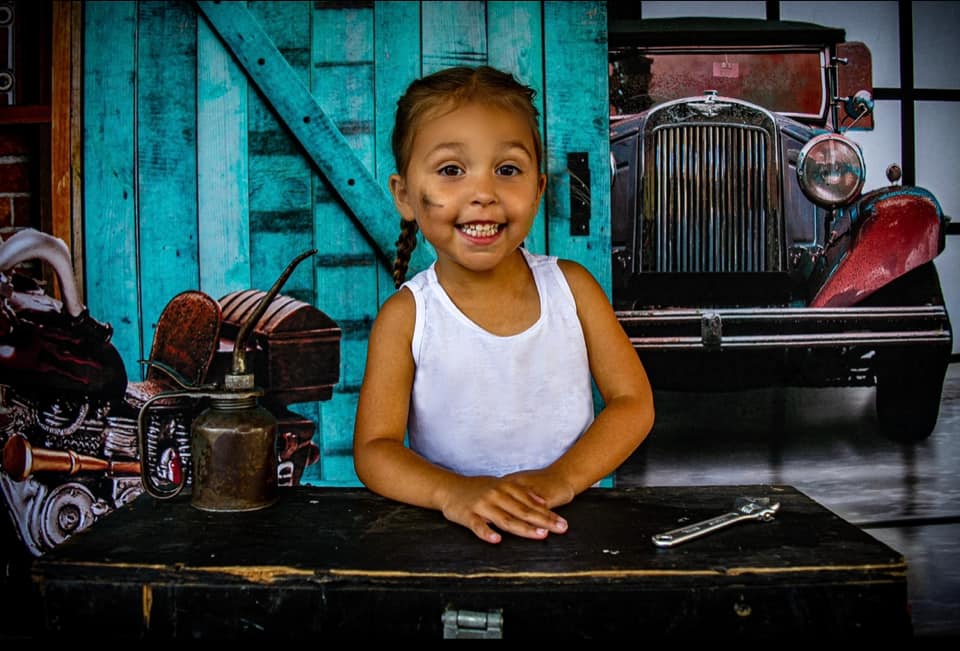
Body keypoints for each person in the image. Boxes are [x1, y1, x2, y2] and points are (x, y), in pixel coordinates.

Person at [353, 66, 654, 544]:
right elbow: (374, 449)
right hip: (453, 537)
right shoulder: (408, 317)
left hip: (570, 528)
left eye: (507, 170)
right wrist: (455, 493)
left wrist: (562, 479)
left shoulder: (573, 289)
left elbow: (633, 403)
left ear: (538, 188)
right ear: (405, 195)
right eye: (451, 170)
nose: (483, 194)